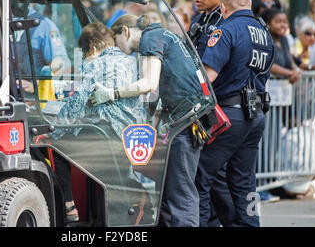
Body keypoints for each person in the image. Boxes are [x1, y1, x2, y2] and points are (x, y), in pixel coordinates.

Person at [91, 14, 212, 227]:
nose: (118, 50)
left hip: (185, 122)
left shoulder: (150, 39)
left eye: (116, 41)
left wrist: (111, 93)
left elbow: (148, 83)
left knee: (180, 192)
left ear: (125, 31)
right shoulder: (165, 35)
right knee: (166, 191)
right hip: (186, 119)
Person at [194, 0, 275, 227]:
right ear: (248, 1)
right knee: (245, 182)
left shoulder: (225, 30)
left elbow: (207, 78)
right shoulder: (264, 32)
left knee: (200, 177)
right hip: (256, 116)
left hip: (230, 115)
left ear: (224, 7)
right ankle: (251, 224)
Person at [51, 21, 146, 222]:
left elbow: (76, 103)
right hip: (132, 136)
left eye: (84, 54)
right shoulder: (131, 61)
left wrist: (55, 129)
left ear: (92, 47)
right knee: (109, 184)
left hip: (106, 135)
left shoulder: (96, 63)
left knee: (58, 148)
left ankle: (69, 207)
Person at [189, 0, 235, 227]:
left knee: (214, 177)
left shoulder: (225, 22)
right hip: (202, 109)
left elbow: (210, 72)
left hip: (222, 109)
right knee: (210, 178)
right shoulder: (200, 20)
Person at [260, 8, 301, 83]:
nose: (283, 25)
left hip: (283, 89)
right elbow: (268, 65)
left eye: (285, 22)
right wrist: (290, 73)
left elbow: (290, 59)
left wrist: (296, 70)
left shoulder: (284, 39)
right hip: (268, 86)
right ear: (268, 24)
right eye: (278, 22)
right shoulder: (265, 40)